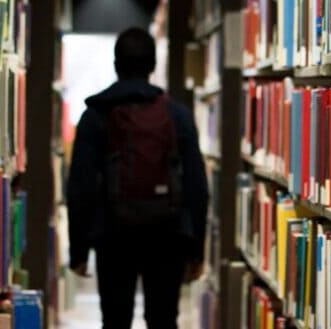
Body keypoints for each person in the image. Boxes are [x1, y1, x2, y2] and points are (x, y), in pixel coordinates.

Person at [67, 27, 209, 329]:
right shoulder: (177, 114)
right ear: (153, 65)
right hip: (167, 234)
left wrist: (79, 249)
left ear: (116, 64)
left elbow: (80, 186)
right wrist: (196, 250)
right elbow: (197, 184)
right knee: (162, 320)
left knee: (116, 320)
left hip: (113, 235)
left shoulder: (95, 115)